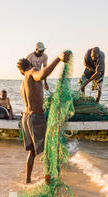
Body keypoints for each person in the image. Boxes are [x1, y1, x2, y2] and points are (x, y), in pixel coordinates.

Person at [17, 50, 71, 184]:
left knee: (32, 153)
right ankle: (50, 182)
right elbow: (41, 74)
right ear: (29, 65)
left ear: (20, 71)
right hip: (36, 118)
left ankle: (28, 180)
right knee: (49, 149)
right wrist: (58, 59)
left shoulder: (23, 82)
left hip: (26, 118)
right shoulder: (32, 72)